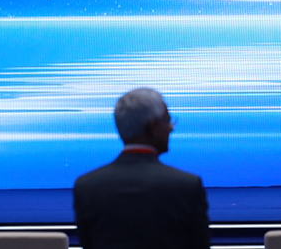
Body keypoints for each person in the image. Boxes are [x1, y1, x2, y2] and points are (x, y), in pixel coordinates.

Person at [73, 87, 209, 249]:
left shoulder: (86, 187)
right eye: (167, 121)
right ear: (153, 126)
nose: (171, 128)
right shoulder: (187, 186)